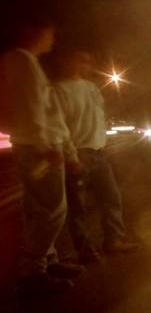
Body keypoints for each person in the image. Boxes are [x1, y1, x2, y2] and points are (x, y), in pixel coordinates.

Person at [0, 17, 84, 295]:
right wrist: (46, 147)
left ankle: (46, 261)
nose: (53, 39)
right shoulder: (21, 61)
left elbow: (44, 111)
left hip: (38, 145)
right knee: (52, 210)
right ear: (34, 31)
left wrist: (62, 147)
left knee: (40, 208)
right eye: (50, 32)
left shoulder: (24, 61)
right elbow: (32, 108)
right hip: (39, 149)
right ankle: (33, 271)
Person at [55, 50, 140, 263]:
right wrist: (71, 156)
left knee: (111, 198)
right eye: (81, 60)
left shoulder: (92, 88)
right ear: (67, 62)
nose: (86, 65)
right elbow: (60, 127)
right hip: (78, 153)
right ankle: (84, 249)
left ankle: (113, 240)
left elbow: (99, 117)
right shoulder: (58, 90)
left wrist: (103, 142)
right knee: (78, 206)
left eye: (88, 61)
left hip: (98, 153)